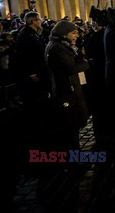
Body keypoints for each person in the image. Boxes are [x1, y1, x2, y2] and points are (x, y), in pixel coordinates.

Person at [45, 20, 89, 150]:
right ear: (64, 34)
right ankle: (73, 157)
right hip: (66, 90)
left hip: (68, 88)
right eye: (73, 33)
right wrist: (86, 64)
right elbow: (70, 68)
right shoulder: (57, 48)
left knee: (72, 126)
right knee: (71, 126)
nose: (76, 36)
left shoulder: (60, 45)